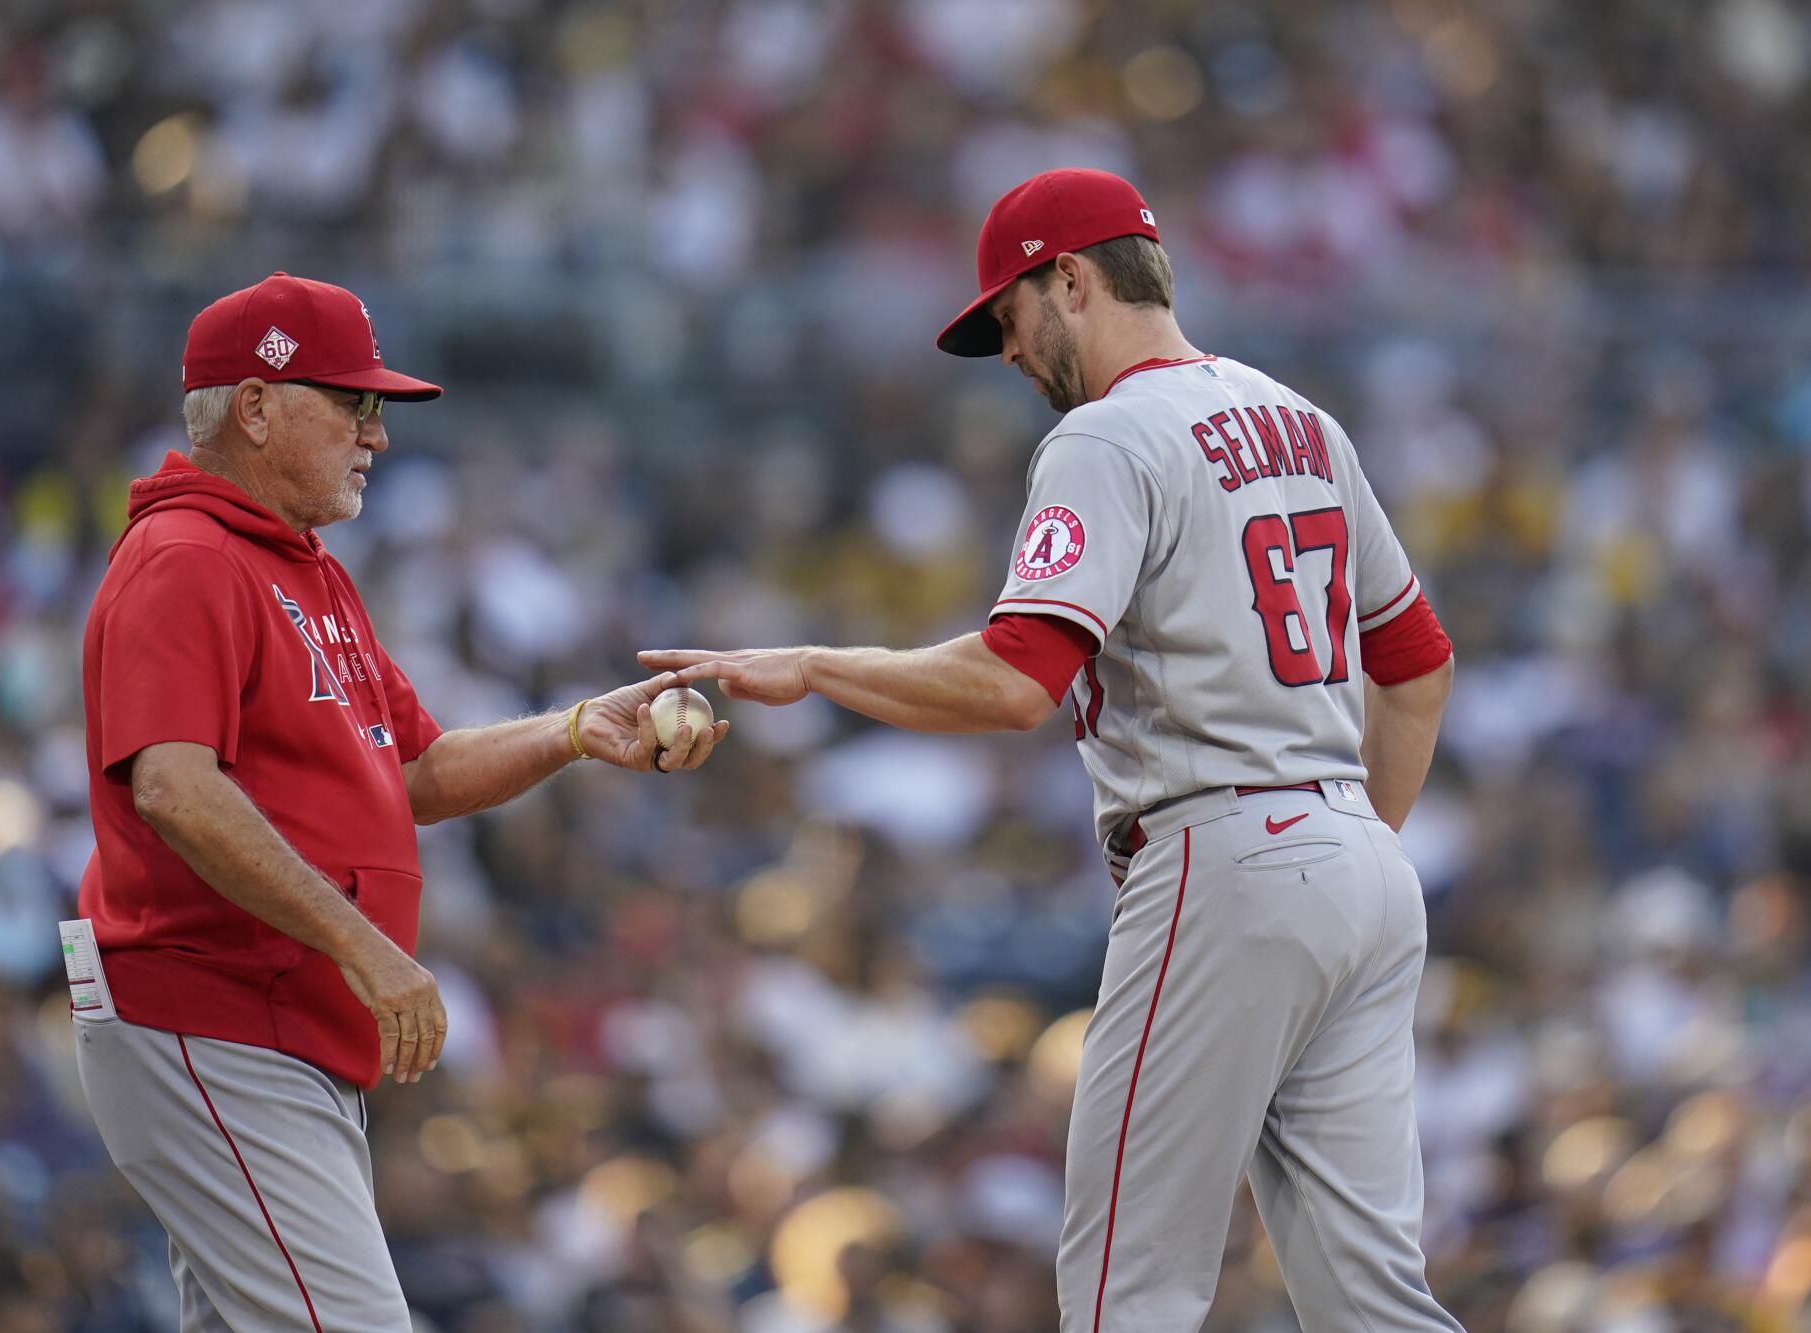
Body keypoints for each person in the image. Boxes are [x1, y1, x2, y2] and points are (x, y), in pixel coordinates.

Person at [643, 170, 1461, 1332]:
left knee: (1120, 1295)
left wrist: (816, 664)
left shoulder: (1107, 434)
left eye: (1010, 318)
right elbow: (1418, 665)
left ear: (1070, 279)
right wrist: (1339, 844)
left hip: (1222, 855)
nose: (1010, 353)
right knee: (1376, 1304)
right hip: (1358, 866)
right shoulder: (1300, 419)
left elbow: (1013, 681)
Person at [73, 272, 729, 1332]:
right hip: (208, 1010)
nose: (376, 435)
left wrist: (570, 731)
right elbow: (173, 787)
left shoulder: (302, 569)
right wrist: (366, 947)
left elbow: (413, 771)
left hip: (271, 1025)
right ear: (254, 406)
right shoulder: (186, 557)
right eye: (352, 404)